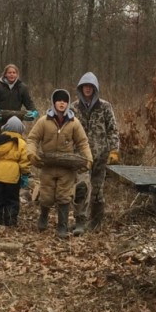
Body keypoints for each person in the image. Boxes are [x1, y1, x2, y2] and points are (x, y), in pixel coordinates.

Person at [27, 89, 92, 239]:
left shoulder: (74, 123)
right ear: (53, 102)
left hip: (66, 167)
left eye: (64, 101)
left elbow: (83, 142)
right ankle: (43, 217)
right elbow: (32, 139)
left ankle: (62, 227)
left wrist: (88, 159)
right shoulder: (44, 121)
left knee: (64, 196)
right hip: (48, 165)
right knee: (47, 195)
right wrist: (31, 153)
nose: (62, 103)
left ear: (68, 103)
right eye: (59, 100)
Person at [71, 72, 120, 235]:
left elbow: (113, 129)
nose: (87, 89)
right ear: (80, 88)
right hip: (80, 156)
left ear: (95, 88)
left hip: (100, 154)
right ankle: (80, 221)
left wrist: (114, 150)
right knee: (82, 188)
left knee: (98, 190)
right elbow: (67, 130)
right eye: (85, 86)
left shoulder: (105, 106)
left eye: (90, 86)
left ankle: (97, 222)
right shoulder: (74, 107)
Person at [0, 115, 31, 227]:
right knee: (12, 200)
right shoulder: (21, 143)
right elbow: (25, 161)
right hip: (13, 177)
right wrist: (25, 174)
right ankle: (10, 221)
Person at [0, 63, 38, 133]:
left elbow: (29, 103)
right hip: (1, 119)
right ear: (5, 74)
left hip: (17, 119)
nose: (12, 74)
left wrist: (34, 111)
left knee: (16, 141)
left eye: (14, 73)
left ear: (17, 74)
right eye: (9, 73)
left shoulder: (23, 87)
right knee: (0, 141)